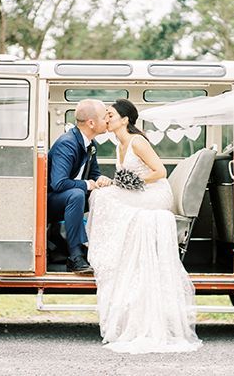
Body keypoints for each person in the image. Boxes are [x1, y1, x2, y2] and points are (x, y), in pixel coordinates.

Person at [87, 99, 202, 354]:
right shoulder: (119, 145)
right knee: (101, 195)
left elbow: (159, 172)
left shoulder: (137, 141)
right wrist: (119, 182)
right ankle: (112, 247)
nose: (106, 118)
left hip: (156, 194)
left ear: (124, 120)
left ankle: (104, 250)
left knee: (103, 197)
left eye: (110, 115)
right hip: (139, 190)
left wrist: (129, 181)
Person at [47, 99, 111, 274]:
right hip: (49, 203)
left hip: (70, 199)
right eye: (105, 116)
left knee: (107, 195)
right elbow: (58, 183)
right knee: (76, 194)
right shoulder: (67, 143)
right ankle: (75, 257)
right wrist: (86, 184)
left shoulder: (90, 144)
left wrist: (101, 179)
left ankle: (100, 251)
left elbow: (94, 174)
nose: (108, 120)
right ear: (91, 123)